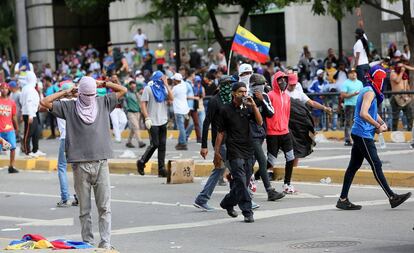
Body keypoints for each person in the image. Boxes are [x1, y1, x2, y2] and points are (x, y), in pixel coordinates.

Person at [41, 76, 127, 249]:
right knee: (85, 210)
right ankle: (87, 243)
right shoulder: (69, 106)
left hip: (100, 162)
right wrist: (67, 92)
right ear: (79, 93)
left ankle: (105, 243)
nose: (88, 98)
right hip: (80, 165)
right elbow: (44, 101)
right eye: (85, 94)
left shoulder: (103, 102)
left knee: (104, 207)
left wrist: (102, 83)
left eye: (91, 94)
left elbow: (123, 90)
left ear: (95, 93)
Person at [336, 65, 411, 210]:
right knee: (376, 164)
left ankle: (342, 199)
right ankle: (392, 196)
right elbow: (364, 113)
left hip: (360, 133)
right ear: (378, 79)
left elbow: (372, 111)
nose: (384, 81)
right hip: (363, 134)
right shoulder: (370, 91)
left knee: (353, 167)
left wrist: (381, 122)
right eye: (382, 78)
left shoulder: (369, 89)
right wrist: (377, 125)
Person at [215, 82, 263, 223]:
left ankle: (227, 203)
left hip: (248, 149)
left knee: (243, 183)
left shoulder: (248, 108)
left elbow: (260, 122)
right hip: (234, 150)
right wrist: (217, 152)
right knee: (241, 182)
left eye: (245, 91)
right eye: (241, 91)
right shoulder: (225, 110)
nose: (244, 94)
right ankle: (248, 211)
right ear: (233, 93)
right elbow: (220, 132)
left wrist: (253, 106)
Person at [194, 76, 235, 211]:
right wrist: (204, 145)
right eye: (226, 85)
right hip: (219, 141)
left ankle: (202, 199)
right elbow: (206, 123)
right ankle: (244, 199)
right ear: (221, 86)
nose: (228, 87)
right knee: (236, 169)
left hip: (231, 139)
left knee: (219, 170)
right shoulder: (214, 101)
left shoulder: (231, 100)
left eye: (230, 85)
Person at [249, 74, 285, 201]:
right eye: (258, 85)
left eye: (262, 85)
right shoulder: (247, 98)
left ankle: (241, 187)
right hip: (250, 135)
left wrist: (262, 100)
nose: (261, 87)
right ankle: (270, 191)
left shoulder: (265, 97)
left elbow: (271, 113)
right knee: (263, 162)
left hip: (260, 134)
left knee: (250, 163)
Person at [286, 73, 332, 166]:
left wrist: (324, 108)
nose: (292, 86)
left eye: (294, 84)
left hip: (297, 124)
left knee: (297, 145)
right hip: (286, 123)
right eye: (291, 84)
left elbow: (312, 103)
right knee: (286, 146)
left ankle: (294, 167)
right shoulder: (282, 93)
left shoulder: (299, 93)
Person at [136, 71, 173, 177]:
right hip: (152, 121)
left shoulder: (163, 88)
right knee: (155, 144)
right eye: (162, 78)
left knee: (162, 145)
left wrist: (166, 84)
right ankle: (142, 162)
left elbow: (171, 98)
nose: (164, 79)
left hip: (163, 120)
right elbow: (143, 104)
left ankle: (161, 169)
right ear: (157, 78)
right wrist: (146, 117)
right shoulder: (148, 88)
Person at [266, 71, 296, 194]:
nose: (282, 82)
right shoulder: (270, 95)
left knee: (291, 158)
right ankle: (252, 178)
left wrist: (286, 127)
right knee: (270, 162)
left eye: (284, 79)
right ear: (275, 81)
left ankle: (287, 184)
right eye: (279, 80)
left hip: (285, 132)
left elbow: (287, 114)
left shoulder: (287, 97)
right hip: (272, 133)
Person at [55, 82, 78, 207]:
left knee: (62, 168)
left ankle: (65, 198)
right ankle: (79, 196)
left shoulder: (59, 104)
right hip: (78, 139)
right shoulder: (78, 102)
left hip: (65, 138)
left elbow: (45, 102)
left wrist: (63, 93)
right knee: (77, 168)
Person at [20, 71, 43, 157]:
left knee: (35, 132)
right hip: (30, 114)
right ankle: (27, 151)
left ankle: (35, 150)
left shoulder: (27, 88)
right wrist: (29, 114)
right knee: (28, 133)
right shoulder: (29, 89)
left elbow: (22, 101)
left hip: (33, 113)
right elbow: (28, 102)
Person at [340, 69, 363, 146]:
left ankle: (359, 138)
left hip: (358, 105)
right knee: (348, 122)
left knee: (358, 122)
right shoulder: (346, 83)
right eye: (351, 73)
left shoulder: (360, 83)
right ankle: (347, 140)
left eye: (354, 72)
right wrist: (353, 94)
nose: (353, 74)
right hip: (349, 105)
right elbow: (343, 95)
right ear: (348, 75)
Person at [0, 82, 19, 173]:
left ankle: (11, 166)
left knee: (13, 147)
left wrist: (16, 128)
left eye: (6, 88)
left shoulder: (12, 102)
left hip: (9, 129)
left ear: (8, 90)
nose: (4, 90)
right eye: (2, 88)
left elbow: (14, 116)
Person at [390, 62, 412, 131]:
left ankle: (410, 131)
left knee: (409, 115)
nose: (402, 68)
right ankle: (394, 132)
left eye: (402, 67)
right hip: (396, 97)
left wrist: (410, 95)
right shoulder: (393, 73)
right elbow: (397, 80)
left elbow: (407, 85)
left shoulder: (404, 75)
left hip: (405, 97)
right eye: (400, 67)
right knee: (395, 117)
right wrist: (402, 72)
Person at [124, 80, 146, 149]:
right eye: (132, 85)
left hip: (138, 112)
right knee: (136, 126)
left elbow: (140, 102)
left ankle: (128, 142)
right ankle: (140, 142)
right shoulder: (126, 92)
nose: (133, 87)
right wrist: (126, 108)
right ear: (129, 85)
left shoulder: (136, 93)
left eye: (134, 85)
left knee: (134, 128)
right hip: (130, 112)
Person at [171, 73, 190, 150]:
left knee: (181, 127)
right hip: (185, 109)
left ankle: (183, 143)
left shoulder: (175, 88)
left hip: (178, 110)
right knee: (185, 126)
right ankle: (180, 141)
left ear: (175, 80)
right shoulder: (184, 85)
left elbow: (170, 96)